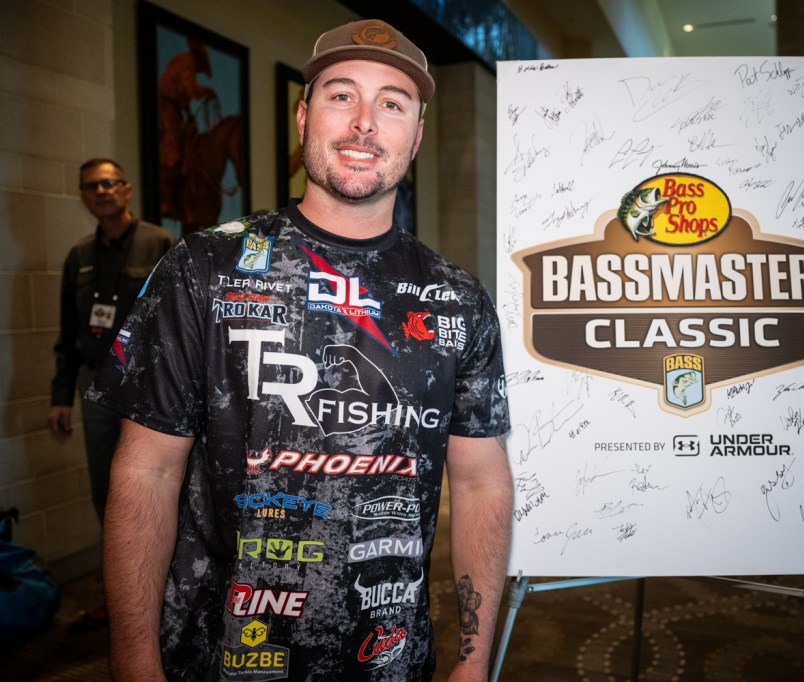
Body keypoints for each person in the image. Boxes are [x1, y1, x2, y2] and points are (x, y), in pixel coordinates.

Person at [87, 18, 513, 682]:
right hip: (218, 656)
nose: (365, 122)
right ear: (304, 115)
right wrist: (134, 661)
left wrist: (474, 658)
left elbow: (483, 481)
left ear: (417, 134)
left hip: (389, 660)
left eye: (392, 104)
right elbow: (147, 472)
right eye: (342, 95)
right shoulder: (204, 268)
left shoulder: (457, 299)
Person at [49, 158, 175, 624]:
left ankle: (169, 591)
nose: (100, 191)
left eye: (108, 183)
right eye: (91, 186)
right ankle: (123, 593)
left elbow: (179, 322)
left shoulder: (160, 243)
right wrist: (61, 394)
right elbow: (68, 331)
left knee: (156, 486)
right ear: (83, 196)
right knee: (105, 491)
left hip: (148, 387)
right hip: (95, 386)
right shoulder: (79, 256)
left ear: (126, 189)